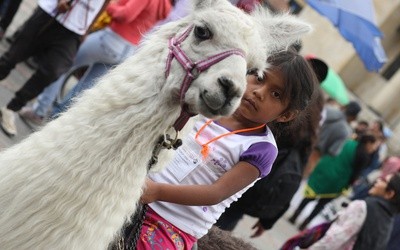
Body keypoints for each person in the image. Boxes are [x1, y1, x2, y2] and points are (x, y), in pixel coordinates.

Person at [133, 48, 317, 249]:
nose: (259, 92)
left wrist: (157, 191)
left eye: (276, 94)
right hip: (137, 190)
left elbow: (216, 193)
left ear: (286, 115)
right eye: (260, 77)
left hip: (172, 224)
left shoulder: (261, 148)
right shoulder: (206, 104)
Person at [19, 0, 172, 124]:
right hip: (127, 49)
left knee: (63, 64)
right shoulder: (165, 5)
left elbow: (126, 15)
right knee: (87, 87)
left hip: (111, 39)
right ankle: (58, 120)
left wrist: (111, 7)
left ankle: (39, 111)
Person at [214, 78, 324, 237]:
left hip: (243, 175)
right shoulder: (314, 100)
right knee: (221, 227)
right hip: (254, 188)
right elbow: (301, 161)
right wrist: (269, 220)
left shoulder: (291, 97)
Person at [0, 0, 108, 136]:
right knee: (13, 56)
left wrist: (88, 28)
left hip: (75, 30)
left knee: (52, 71)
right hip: (50, 12)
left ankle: (12, 108)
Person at [288, 133, 378, 230]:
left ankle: (295, 215)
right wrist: (348, 185)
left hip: (325, 169)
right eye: (373, 145)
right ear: (368, 143)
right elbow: (355, 174)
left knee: (310, 196)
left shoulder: (349, 142)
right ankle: (304, 224)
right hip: (337, 180)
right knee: (322, 203)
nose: (373, 149)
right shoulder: (364, 156)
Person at [307, 173, 400, 249]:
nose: (378, 181)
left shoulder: (363, 207)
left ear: (390, 194)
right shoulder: (388, 220)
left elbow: (336, 238)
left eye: (383, 181)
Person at [303, 100, 362, 178]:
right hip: (315, 156)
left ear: (345, 106)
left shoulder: (328, 110)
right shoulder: (346, 131)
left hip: (303, 141)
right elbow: (333, 152)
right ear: (354, 117)